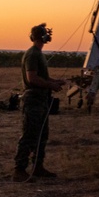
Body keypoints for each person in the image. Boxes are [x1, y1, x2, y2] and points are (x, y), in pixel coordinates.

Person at [12, 23, 66, 183]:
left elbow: (42, 77)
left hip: (41, 99)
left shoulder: (39, 54)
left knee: (42, 134)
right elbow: (32, 78)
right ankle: (19, 170)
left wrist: (56, 82)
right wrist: (51, 85)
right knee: (29, 134)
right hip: (33, 99)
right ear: (42, 37)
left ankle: (37, 166)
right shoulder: (33, 54)